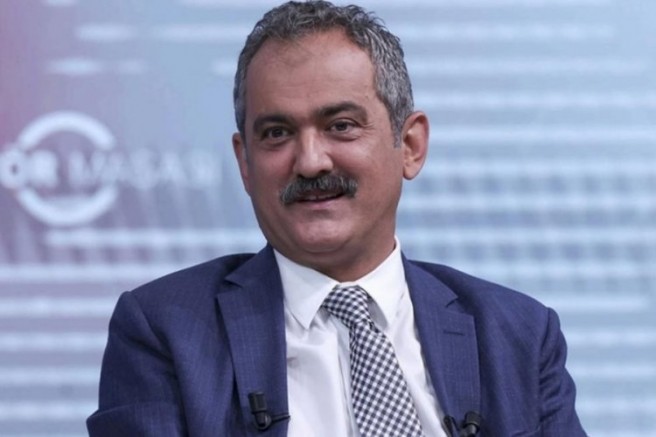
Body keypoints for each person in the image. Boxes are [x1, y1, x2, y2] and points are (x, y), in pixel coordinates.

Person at [87, 1, 587, 436]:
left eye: (341, 126)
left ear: (410, 145)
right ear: (245, 163)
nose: (310, 162)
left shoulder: (516, 333)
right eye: (277, 133)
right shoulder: (166, 332)